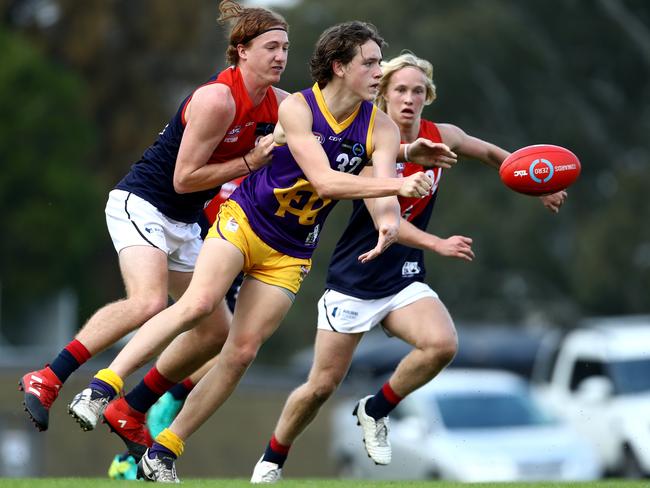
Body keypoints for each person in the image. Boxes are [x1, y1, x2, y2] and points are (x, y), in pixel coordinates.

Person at [70, 21, 446, 483]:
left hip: (292, 251)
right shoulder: (298, 108)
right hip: (245, 222)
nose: (377, 72)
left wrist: (389, 224)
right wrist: (399, 182)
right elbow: (327, 180)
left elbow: (382, 193)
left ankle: (164, 451)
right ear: (340, 66)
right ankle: (102, 388)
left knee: (242, 352)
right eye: (368, 63)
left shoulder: (381, 128)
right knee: (199, 305)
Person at [249, 51, 568, 483]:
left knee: (441, 344)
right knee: (321, 387)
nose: (409, 98)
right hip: (356, 278)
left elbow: (495, 155)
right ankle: (272, 460)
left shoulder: (442, 136)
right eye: (399, 89)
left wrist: (538, 182)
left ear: (427, 96)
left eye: (418, 91)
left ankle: (374, 409)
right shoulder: (367, 143)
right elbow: (387, 217)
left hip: (403, 280)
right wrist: (436, 242)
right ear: (382, 94)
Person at [19, 0, 288, 433]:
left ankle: (134, 408)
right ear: (242, 51)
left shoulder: (278, 103)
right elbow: (184, 179)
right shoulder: (218, 99)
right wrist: (251, 163)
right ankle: (48, 377)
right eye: (271, 47)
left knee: (216, 331)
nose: (280, 57)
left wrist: (399, 151)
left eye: (285, 48)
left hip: (184, 224)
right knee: (148, 301)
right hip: (141, 203)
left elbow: (326, 138)